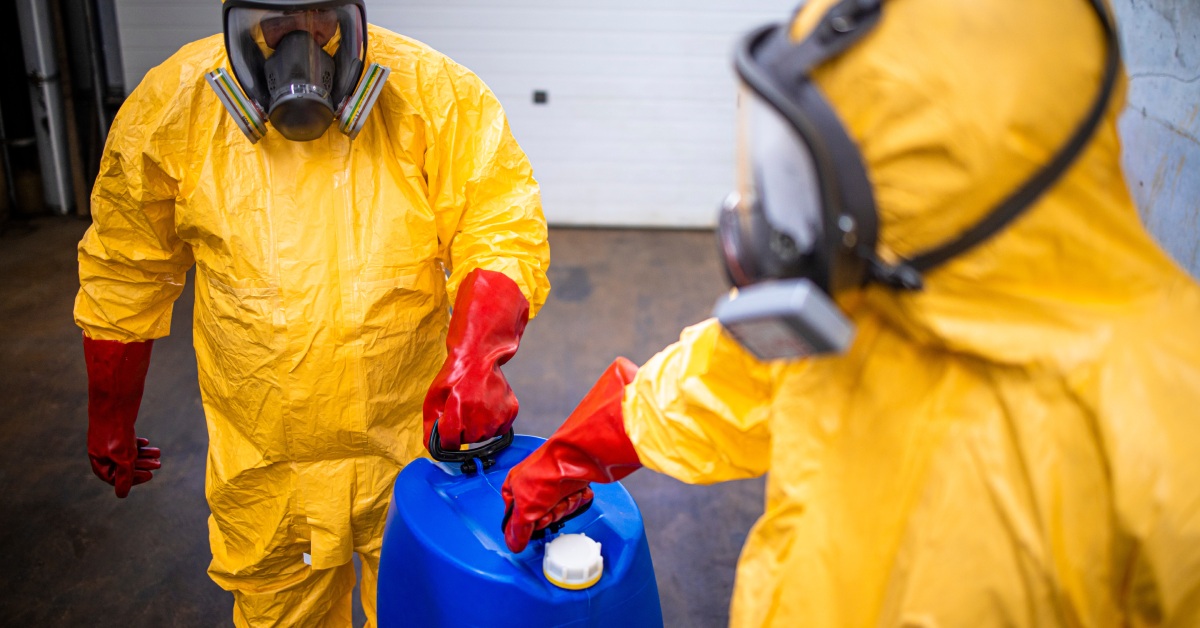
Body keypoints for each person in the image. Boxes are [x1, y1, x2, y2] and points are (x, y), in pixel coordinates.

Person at [501, 0, 1200, 625]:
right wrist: (575, 454)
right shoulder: (864, 306)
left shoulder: (1172, 417)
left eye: (817, 162)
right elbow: (719, 382)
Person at [76, 0, 549, 625]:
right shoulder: (176, 105)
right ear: (234, 17)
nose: (302, 39)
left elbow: (499, 229)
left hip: (411, 453)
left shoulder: (432, 93)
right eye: (272, 20)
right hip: (267, 466)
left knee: (419, 609)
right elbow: (126, 265)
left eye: (323, 16)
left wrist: (475, 360)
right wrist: (110, 411)